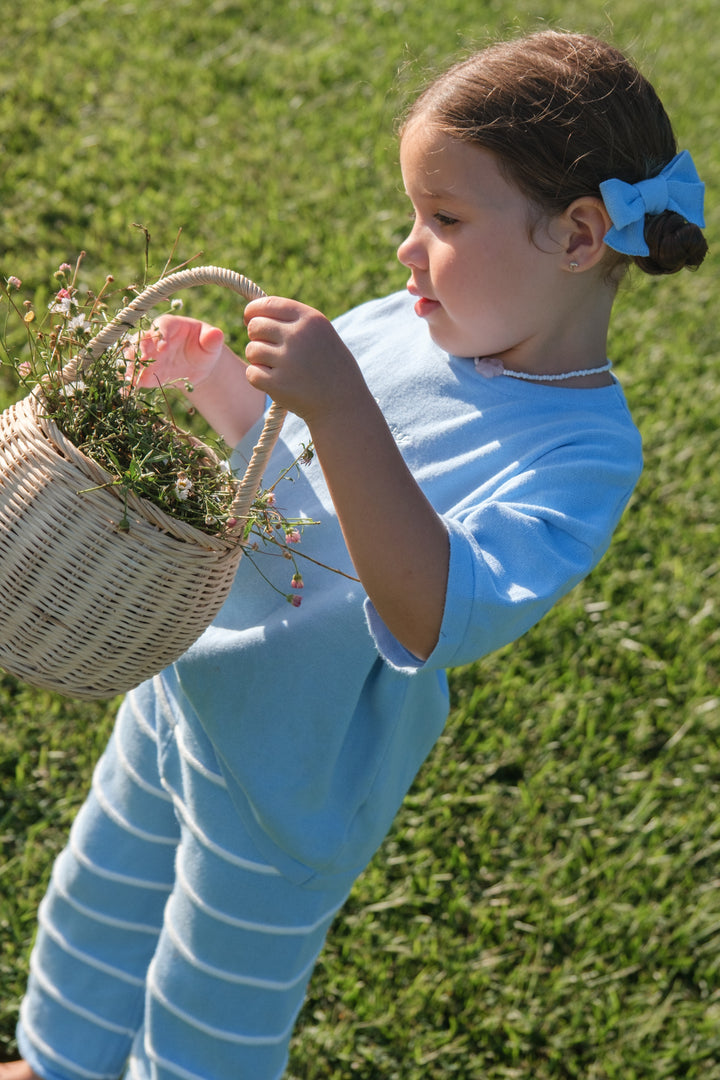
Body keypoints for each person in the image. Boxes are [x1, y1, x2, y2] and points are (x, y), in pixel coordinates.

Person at [1, 29, 707, 1080]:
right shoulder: (411, 324)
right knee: (96, 904)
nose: (406, 251)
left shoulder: (579, 454)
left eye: (446, 219)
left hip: (292, 775)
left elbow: (437, 609)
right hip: (185, 682)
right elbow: (290, 474)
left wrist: (337, 405)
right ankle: (55, 1063)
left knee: (214, 999)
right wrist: (220, 390)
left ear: (578, 236)